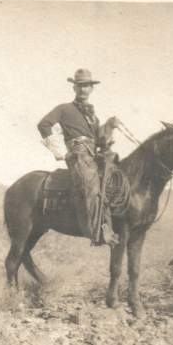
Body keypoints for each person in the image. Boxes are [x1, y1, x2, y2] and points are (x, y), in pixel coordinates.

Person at [37, 68, 120, 246]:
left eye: (87, 86)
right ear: (74, 88)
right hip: (78, 157)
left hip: (93, 156)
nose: (83, 89)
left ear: (92, 89)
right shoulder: (64, 109)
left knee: (114, 177)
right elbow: (44, 124)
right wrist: (61, 152)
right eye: (80, 86)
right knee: (90, 183)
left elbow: (99, 139)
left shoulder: (93, 116)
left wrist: (109, 126)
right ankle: (97, 231)